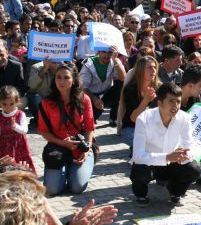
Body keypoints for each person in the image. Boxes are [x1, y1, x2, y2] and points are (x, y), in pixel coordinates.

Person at [130, 83, 201, 207]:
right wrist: (166, 157)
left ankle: (175, 191)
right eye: (171, 101)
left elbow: (189, 145)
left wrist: (186, 155)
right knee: (139, 172)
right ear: (159, 102)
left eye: (178, 102)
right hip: (150, 164)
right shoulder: (144, 118)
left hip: (174, 163)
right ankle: (141, 195)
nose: (176, 106)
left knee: (194, 169)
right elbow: (137, 155)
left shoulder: (184, 118)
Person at [38, 64, 95, 196]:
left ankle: (84, 163)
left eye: (66, 77)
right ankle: (66, 170)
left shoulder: (84, 100)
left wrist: (87, 150)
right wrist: (64, 143)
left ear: (74, 80)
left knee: (76, 187)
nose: (61, 81)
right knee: (52, 190)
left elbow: (89, 128)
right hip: (57, 148)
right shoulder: (47, 102)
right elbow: (44, 132)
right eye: (58, 77)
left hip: (80, 148)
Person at [117, 56, 161, 147]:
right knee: (143, 142)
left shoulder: (160, 88)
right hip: (132, 128)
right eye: (149, 67)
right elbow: (133, 118)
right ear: (140, 70)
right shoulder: (130, 89)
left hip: (152, 128)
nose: (153, 70)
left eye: (155, 67)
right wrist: (146, 101)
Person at [80, 47, 127, 124]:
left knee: (120, 85)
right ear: (99, 52)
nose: (106, 55)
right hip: (91, 95)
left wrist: (115, 60)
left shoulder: (114, 61)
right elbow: (82, 87)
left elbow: (123, 78)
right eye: (104, 52)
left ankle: (113, 117)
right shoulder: (89, 63)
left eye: (109, 52)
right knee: (91, 118)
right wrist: (95, 99)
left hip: (106, 93)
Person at [0, 86, 35, 174]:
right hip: (4, 146)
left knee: (22, 165)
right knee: (6, 167)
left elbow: (25, 130)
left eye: (11, 104)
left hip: (19, 145)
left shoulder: (20, 114)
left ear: (17, 102)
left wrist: (15, 126)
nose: (8, 107)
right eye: (4, 104)